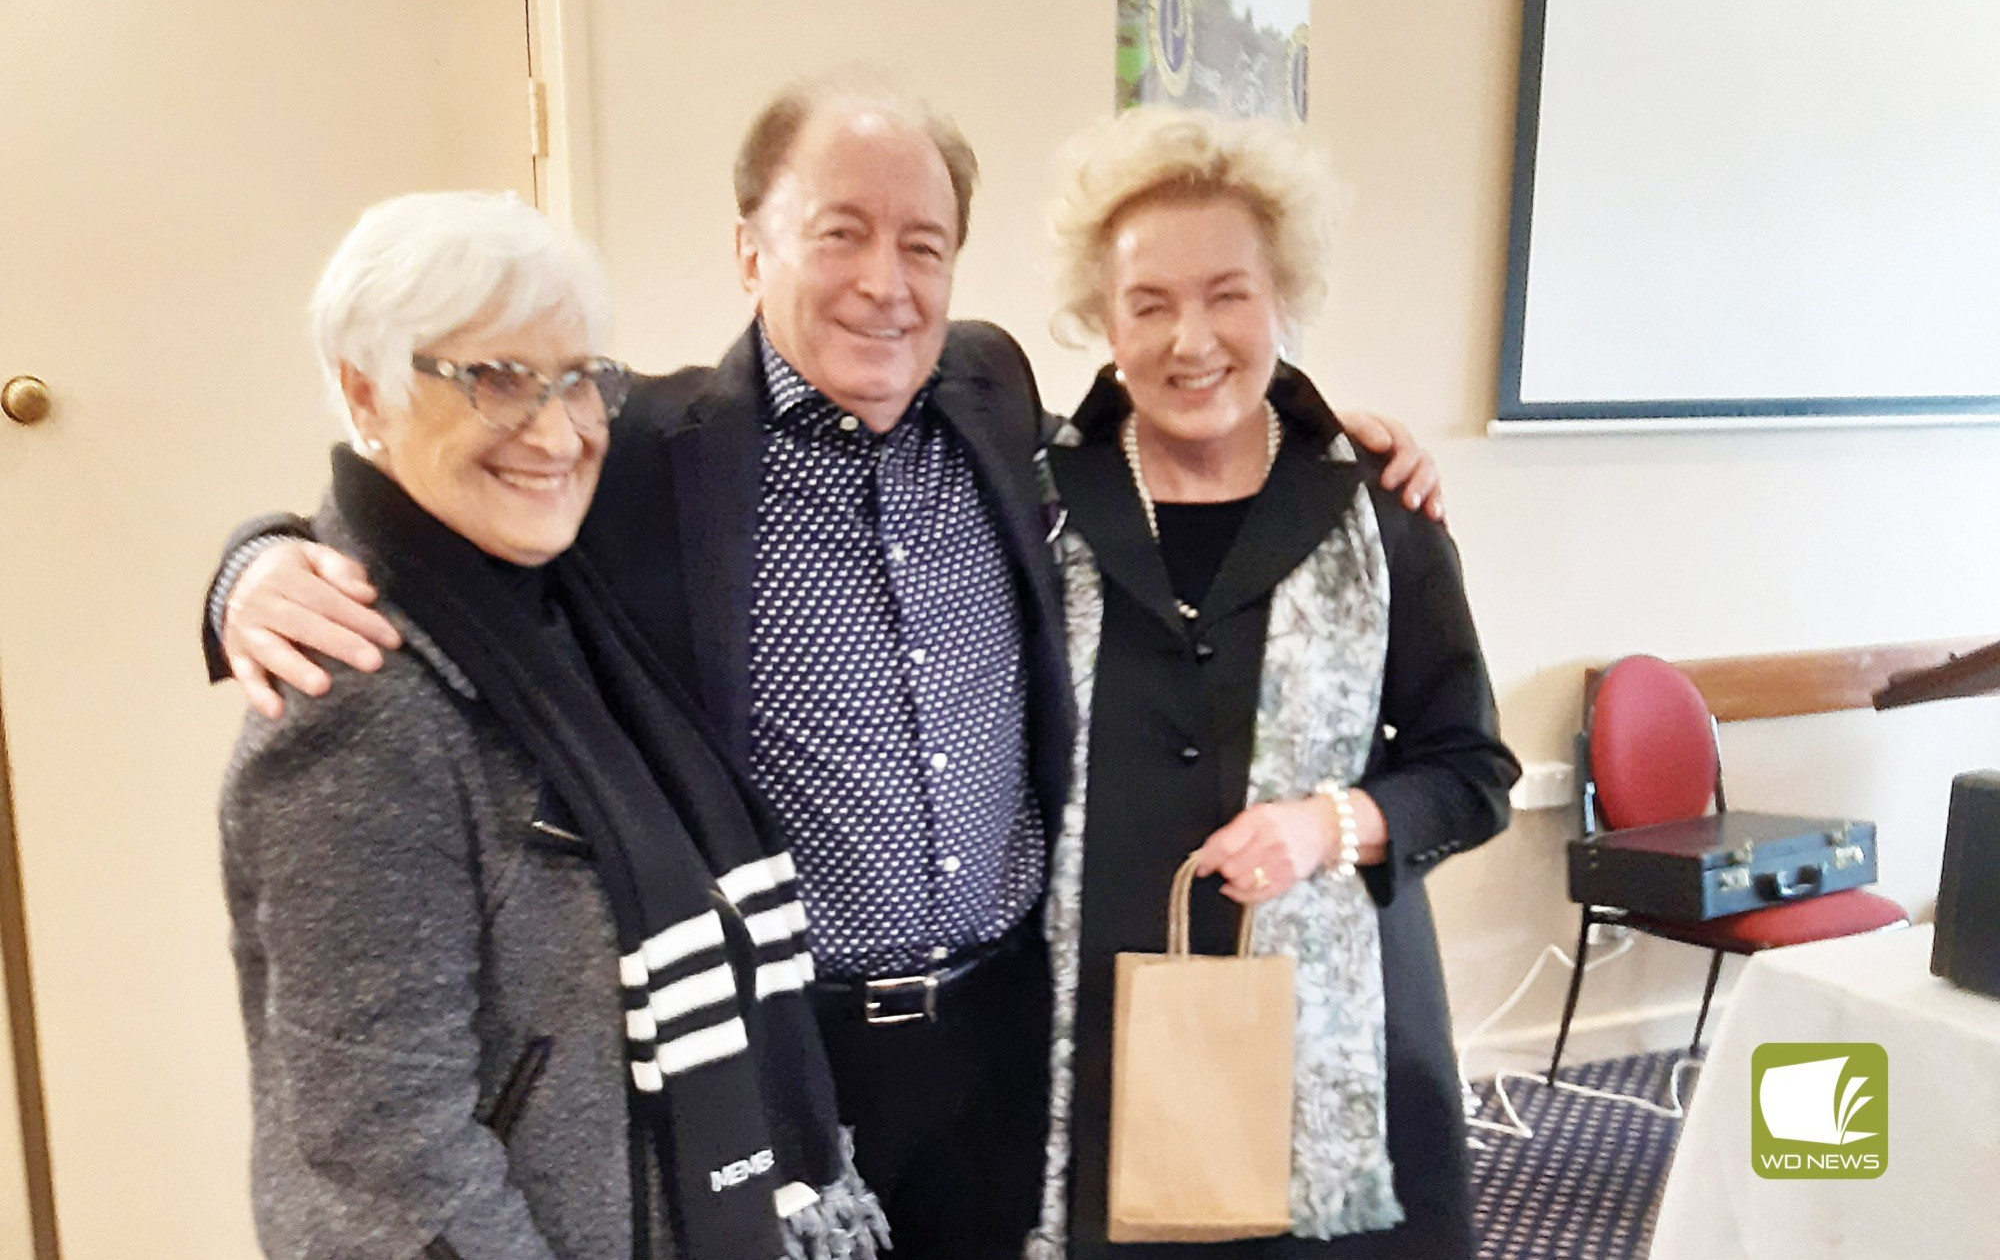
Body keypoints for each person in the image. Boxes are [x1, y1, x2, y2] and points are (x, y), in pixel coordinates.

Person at [201, 77, 1446, 1259]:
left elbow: (1182, 378)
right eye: (837, 233)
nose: (882, 284)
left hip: (1006, 1025)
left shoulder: (994, 387)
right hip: (785, 1051)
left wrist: (1339, 433)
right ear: (749, 250)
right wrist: (254, 568)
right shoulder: (638, 445)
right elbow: (458, 498)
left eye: (923, 243)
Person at [219, 191, 883, 1260]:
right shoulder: (359, 708)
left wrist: (244, 558)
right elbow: (387, 1159)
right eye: (494, 378)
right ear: (365, 391)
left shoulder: (565, 605)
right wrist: (248, 571)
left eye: (580, 378)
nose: (557, 427)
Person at [1023, 108, 1519, 1260]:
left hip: (1332, 1054)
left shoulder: (1376, 511)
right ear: (1103, 317)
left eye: (1226, 293)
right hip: (1090, 1046)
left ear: (1280, 296)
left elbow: (1471, 770)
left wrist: (1330, 824)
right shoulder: (1039, 507)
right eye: (1148, 302)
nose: (1189, 338)